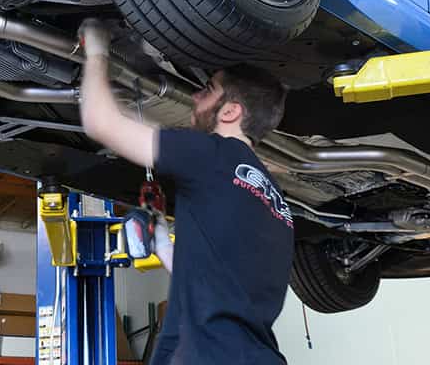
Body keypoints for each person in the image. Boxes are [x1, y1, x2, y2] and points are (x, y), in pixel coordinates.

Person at [78, 21, 295, 365]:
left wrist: (96, 48)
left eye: (207, 90)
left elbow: (100, 123)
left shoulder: (211, 154)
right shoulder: (277, 203)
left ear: (230, 111)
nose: (195, 96)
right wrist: (164, 245)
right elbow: (220, 285)